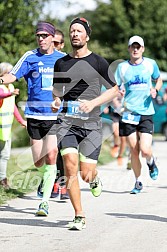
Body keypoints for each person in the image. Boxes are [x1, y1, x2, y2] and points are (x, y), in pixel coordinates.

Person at [51, 17, 118, 230]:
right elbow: (58, 92)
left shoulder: (98, 62)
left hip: (91, 125)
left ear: (87, 36)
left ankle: (95, 178)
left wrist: (93, 103)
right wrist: (56, 101)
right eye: (72, 31)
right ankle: (79, 215)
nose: (75, 34)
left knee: (86, 174)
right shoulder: (61, 62)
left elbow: (115, 90)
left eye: (79, 31)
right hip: (66, 123)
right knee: (70, 168)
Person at [0, 21, 65, 215]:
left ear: (53, 37)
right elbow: (12, 75)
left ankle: (44, 202)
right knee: (38, 161)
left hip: (54, 116)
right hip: (34, 115)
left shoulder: (63, 59)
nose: (41, 39)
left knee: (52, 155)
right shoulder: (30, 56)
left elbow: (75, 82)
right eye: (38, 36)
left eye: (45, 35)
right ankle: (45, 179)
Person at [115, 35, 162, 194]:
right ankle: (138, 181)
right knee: (134, 151)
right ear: (129, 48)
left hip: (146, 112)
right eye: (132, 47)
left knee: (145, 149)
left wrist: (155, 89)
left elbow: (158, 80)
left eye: (138, 47)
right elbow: (116, 86)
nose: (135, 49)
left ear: (142, 49)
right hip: (128, 113)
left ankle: (151, 162)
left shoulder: (151, 64)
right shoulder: (122, 67)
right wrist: (119, 91)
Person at [37, 28, 69, 200]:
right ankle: (49, 179)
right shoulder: (41, 59)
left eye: (57, 43)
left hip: (63, 113)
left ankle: (62, 184)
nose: (54, 45)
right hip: (44, 113)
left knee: (62, 149)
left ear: (61, 45)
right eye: (53, 42)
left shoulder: (65, 60)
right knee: (47, 152)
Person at [0, 62, 27, 190]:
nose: (11, 76)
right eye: (8, 73)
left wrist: (21, 121)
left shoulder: (10, 87)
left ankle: (2, 179)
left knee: (5, 155)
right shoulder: (3, 88)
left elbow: (13, 106)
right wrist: (10, 94)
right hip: (1, 128)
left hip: (5, 129)